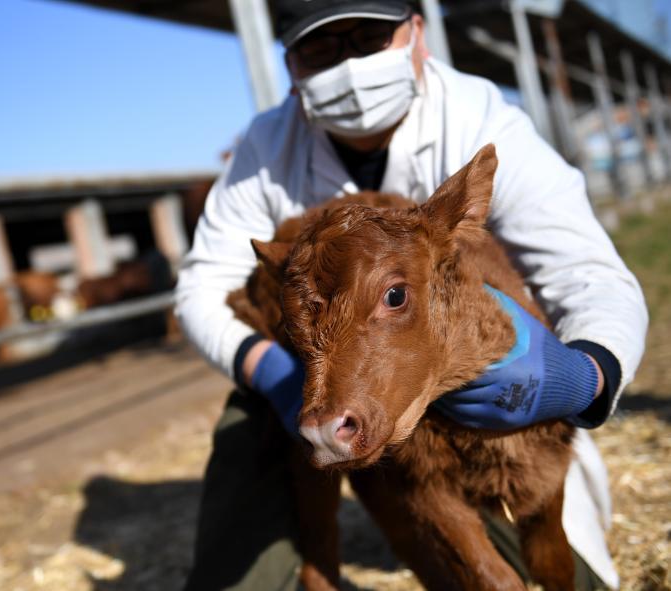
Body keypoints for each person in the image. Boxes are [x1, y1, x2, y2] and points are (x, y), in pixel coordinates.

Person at [174, 1, 648, 589]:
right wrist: (271, 372)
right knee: (241, 533)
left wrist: (588, 375)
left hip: (466, 379)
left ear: (417, 35)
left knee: (567, 566)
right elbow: (202, 288)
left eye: (369, 38)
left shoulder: (478, 117)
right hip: (314, 373)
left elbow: (587, 273)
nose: (348, 64)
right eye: (321, 49)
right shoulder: (266, 146)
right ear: (292, 68)